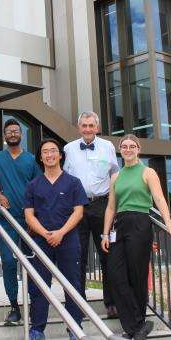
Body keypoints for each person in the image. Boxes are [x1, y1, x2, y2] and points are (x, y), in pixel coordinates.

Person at [101, 134, 171, 340]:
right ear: (120, 150)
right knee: (116, 275)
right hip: (120, 224)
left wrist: (168, 222)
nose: (128, 149)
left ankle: (134, 328)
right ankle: (137, 326)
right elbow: (110, 207)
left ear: (138, 149)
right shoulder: (116, 176)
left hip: (140, 223)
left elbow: (159, 198)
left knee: (137, 275)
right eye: (124, 146)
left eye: (132, 146)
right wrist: (105, 233)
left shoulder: (148, 172)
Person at [24, 138, 88, 340]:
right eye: (45, 152)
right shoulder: (33, 185)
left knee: (72, 284)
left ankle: (74, 328)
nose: (49, 155)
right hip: (41, 240)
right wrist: (45, 233)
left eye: (53, 151)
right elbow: (28, 215)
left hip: (68, 240)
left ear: (60, 155)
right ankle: (37, 329)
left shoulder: (73, 182)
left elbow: (78, 212)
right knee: (39, 285)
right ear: (40, 158)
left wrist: (60, 233)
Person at [62, 111, 119, 317]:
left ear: (97, 127)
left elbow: (115, 173)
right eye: (84, 125)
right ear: (79, 127)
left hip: (102, 205)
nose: (87, 129)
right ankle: (79, 302)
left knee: (107, 254)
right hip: (77, 207)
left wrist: (114, 201)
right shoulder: (68, 149)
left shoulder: (108, 147)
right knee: (78, 256)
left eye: (91, 125)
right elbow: (64, 178)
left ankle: (112, 303)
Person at [0, 118, 42, 324]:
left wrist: (34, 219)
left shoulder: (31, 160)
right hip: (6, 220)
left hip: (28, 221)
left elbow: (37, 189)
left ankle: (34, 304)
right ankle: (14, 306)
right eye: (9, 131)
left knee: (30, 263)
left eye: (16, 131)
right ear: (4, 135)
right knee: (8, 262)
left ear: (21, 134)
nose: (12, 134)